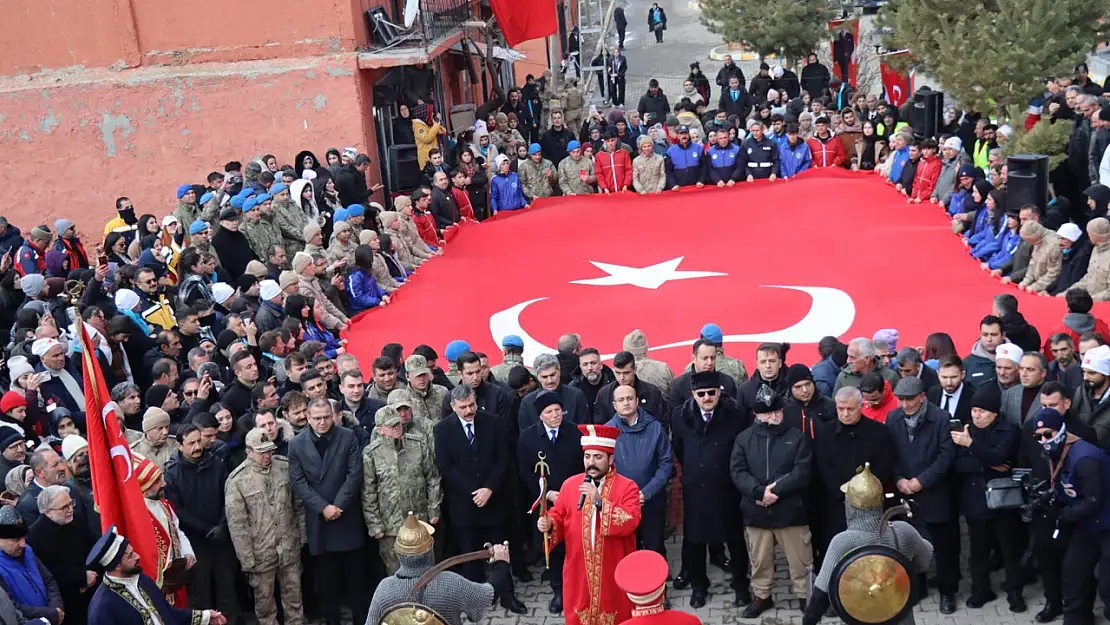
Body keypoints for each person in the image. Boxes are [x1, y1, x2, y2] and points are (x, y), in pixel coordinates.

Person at [801, 465, 934, 625]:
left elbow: (820, 595)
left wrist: (808, 621)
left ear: (850, 506)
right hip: (899, 617)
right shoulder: (903, 531)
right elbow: (924, 561)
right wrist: (919, 523)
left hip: (859, 615)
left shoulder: (842, 542)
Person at [537, 424, 641, 625]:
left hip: (613, 567)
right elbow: (558, 515)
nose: (591, 463)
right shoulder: (570, 485)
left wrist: (600, 501)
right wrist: (548, 524)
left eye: (598, 457)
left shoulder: (628, 486)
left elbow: (631, 519)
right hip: (579, 568)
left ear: (610, 459)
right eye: (587, 457)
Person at [729, 384, 813, 617]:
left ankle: (806, 596)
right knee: (760, 560)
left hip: (791, 511)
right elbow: (738, 471)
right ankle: (762, 596)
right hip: (757, 511)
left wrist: (775, 491)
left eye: (777, 411)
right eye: (767, 413)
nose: (774, 416)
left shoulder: (797, 436)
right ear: (756, 414)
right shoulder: (743, 439)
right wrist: (758, 492)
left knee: (801, 560)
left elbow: (802, 471)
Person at [672, 371, 752, 607]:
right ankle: (699, 586)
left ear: (719, 392)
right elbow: (679, 448)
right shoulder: (680, 416)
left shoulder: (736, 414)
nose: (707, 398)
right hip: (696, 488)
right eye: (701, 394)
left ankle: (740, 584)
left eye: (711, 393)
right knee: (695, 540)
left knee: (735, 540)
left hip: (727, 488)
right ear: (693, 394)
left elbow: (742, 448)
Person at [288, 399, 368, 625]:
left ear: (333, 416)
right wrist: (323, 507)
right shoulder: (296, 444)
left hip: (346, 517)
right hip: (319, 520)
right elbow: (298, 481)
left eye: (326, 417)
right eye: (317, 418)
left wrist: (338, 505)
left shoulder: (347, 436)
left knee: (355, 580)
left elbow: (354, 474)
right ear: (308, 418)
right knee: (327, 583)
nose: (323, 422)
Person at [885, 377, 959, 613]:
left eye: (910, 399)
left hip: (935, 493)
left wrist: (920, 481)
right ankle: (918, 587)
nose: (905, 405)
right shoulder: (893, 418)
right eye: (901, 400)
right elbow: (890, 453)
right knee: (910, 544)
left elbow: (946, 457)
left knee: (944, 547)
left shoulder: (940, 418)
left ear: (922, 397)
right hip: (905, 494)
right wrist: (898, 479)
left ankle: (948, 592)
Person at [1031, 407, 1110, 625]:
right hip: (1087, 526)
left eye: (1048, 434)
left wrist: (1065, 514)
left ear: (1062, 431)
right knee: (1073, 573)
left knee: (1107, 583)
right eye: (1038, 436)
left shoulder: (1085, 457)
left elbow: (1094, 500)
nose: (1044, 440)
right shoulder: (1054, 453)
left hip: (1105, 524)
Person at [951, 384, 1025, 611]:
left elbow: (1001, 455)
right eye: (974, 410)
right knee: (978, 552)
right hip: (975, 500)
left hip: (1003, 501)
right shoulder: (965, 429)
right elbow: (958, 464)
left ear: (994, 413)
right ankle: (980, 590)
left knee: (1009, 550)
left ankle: (1015, 593)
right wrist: (990, 464)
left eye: (982, 411)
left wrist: (971, 446)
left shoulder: (1009, 429)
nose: (976, 415)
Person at [365, 514, 517, 624]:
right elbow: (488, 595)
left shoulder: (384, 589)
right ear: (430, 550)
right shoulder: (449, 583)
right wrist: (502, 563)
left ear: (398, 553)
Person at [224, 428, 303, 625]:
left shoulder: (284, 467)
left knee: (294, 597)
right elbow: (237, 525)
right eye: (262, 452)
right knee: (265, 604)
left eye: (269, 451)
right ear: (249, 451)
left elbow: (298, 505)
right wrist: (246, 559)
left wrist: (302, 537)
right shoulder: (237, 480)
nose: (267, 456)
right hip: (260, 552)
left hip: (289, 546)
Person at [516, 391, 583, 613]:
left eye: (558, 410)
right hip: (547, 502)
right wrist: (546, 493)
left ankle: (578, 589)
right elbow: (525, 472)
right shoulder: (528, 437)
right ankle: (558, 591)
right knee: (552, 547)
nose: (555, 415)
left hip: (574, 501)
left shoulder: (574, 433)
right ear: (540, 416)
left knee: (575, 547)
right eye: (549, 412)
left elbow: (584, 467)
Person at [163, 425, 235, 617]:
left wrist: (222, 525)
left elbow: (229, 497)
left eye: (198, 441)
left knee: (227, 588)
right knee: (201, 593)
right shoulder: (172, 473)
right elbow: (177, 510)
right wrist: (205, 529)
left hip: (221, 537)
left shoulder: (216, 464)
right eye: (191, 443)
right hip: (196, 542)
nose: (197, 447)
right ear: (180, 446)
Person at [86, 527, 227, 625]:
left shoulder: (143, 580)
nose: (137, 556)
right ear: (117, 565)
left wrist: (206, 617)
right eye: (130, 555)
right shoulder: (102, 607)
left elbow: (168, 614)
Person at [361, 405, 440, 575]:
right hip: (391, 525)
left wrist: (434, 509)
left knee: (426, 569)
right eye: (391, 426)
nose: (397, 428)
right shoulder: (371, 454)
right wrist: (375, 524)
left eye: (398, 424)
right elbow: (368, 492)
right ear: (381, 430)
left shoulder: (418, 444)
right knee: (395, 572)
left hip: (419, 520)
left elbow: (432, 478)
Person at [26, 485, 96, 625]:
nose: (70, 509)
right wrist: (81, 577)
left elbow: (94, 545)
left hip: (94, 585)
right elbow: (48, 573)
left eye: (71, 503)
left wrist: (93, 574)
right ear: (47, 512)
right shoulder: (35, 538)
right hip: (69, 601)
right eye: (64, 507)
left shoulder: (76, 519)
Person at [133, 458, 194, 607]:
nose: (164, 484)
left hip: (176, 578)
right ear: (146, 486)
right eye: (158, 481)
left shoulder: (165, 504)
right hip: (157, 584)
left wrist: (188, 553)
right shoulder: (136, 515)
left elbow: (177, 531)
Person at [0, 506, 63, 625]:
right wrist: (49, 615)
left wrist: (56, 608)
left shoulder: (28, 551)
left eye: (23, 538)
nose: (23, 544)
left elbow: (49, 580)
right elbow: (12, 608)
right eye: (16, 540)